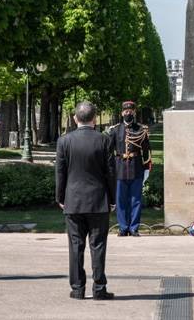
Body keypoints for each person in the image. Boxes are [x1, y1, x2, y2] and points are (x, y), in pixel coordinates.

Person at [55, 101, 116, 300]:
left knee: (75, 246)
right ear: (95, 119)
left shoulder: (64, 141)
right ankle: (99, 288)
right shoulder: (104, 140)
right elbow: (110, 173)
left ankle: (77, 288)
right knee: (97, 246)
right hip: (98, 201)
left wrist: (60, 197)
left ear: (75, 119)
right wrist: (112, 198)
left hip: (73, 200)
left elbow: (60, 173)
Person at [108, 100, 152, 237]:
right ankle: (122, 227)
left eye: (131, 111)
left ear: (134, 112)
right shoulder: (115, 130)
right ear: (122, 113)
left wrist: (146, 168)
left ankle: (134, 228)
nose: (128, 113)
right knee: (120, 200)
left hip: (136, 167)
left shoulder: (141, 130)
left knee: (135, 200)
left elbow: (147, 151)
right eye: (126, 111)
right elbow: (109, 151)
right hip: (120, 167)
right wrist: (110, 168)